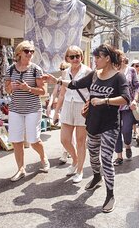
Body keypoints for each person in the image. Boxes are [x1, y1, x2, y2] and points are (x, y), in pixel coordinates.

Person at [44, 43, 130, 213]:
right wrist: (58, 81)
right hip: (93, 122)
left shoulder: (119, 77)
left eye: (98, 57)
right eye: (94, 57)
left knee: (106, 158)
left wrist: (105, 100)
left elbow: (126, 99)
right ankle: (97, 177)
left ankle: (110, 195)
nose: (95, 60)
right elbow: (76, 84)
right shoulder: (94, 75)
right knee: (93, 155)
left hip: (109, 124)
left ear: (107, 58)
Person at [5, 40, 50, 182]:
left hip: (32, 108)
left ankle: (43, 158)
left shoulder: (36, 69)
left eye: (32, 51)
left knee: (33, 139)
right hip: (15, 109)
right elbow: (6, 89)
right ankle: (21, 169)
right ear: (19, 53)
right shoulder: (10, 69)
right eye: (27, 51)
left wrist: (28, 88)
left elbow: (43, 91)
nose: (30, 53)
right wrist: (11, 87)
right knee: (16, 140)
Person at [52, 46, 92, 183]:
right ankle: (75, 159)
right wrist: (56, 112)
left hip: (82, 106)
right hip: (68, 105)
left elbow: (92, 91)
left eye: (78, 56)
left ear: (81, 56)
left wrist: (90, 103)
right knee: (64, 140)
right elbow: (62, 94)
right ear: (67, 58)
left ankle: (80, 170)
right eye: (72, 56)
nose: (75, 59)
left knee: (81, 141)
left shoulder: (88, 71)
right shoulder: (65, 73)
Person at [113, 56, 139, 166]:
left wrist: (135, 100)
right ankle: (119, 156)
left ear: (123, 59)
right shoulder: (112, 71)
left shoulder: (132, 70)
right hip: (114, 106)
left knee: (126, 130)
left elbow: (137, 87)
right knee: (116, 132)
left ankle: (128, 145)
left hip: (128, 106)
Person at [46, 61, 70, 165]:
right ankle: (67, 151)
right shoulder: (59, 80)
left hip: (71, 108)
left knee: (71, 133)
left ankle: (68, 151)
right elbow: (54, 94)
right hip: (62, 108)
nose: (62, 71)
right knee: (65, 132)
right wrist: (49, 105)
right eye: (61, 69)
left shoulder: (71, 80)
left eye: (64, 69)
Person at [130, 60, 139, 145]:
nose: (138, 67)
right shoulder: (129, 76)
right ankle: (134, 132)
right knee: (133, 119)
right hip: (132, 100)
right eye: (136, 66)